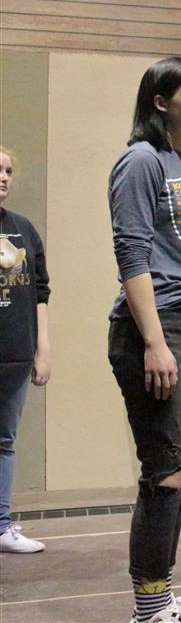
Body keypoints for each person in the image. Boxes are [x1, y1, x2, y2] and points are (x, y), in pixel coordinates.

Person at [107, 58, 181, 623]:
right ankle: (149, 609)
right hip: (149, 329)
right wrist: (156, 342)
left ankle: (161, 592)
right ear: (160, 101)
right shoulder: (141, 162)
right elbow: (131, 254)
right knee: (166, 469)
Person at [0, 146, 52, 555]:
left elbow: (40, 292)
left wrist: (42, 348)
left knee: (4, 440)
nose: (3, 178)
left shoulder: (23, 229)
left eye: (8, 171)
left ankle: (1, 525)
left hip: (16, 354)